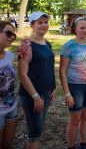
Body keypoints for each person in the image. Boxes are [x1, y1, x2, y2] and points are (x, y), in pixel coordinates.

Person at [60, 17, 86, 149]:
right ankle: (71, 146)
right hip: (75, 87)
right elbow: (62, 71)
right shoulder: (69, 46)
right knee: (75, 119)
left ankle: (83, 144)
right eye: (82, 28)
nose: (85, 30)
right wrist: (67, 93)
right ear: (75, 29)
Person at [18, 12, 57, 149]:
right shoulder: (26, 45)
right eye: (39, 22)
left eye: (46, 22)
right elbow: (22, 74)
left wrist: (54, 86)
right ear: (32, 25)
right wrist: (35, 96)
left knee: (39, 129)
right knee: (34, 132)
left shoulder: (47, 43)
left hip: (46, 92)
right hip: (32, 95)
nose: (44, 25)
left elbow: (49, 67)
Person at [0, 21, 17, 148]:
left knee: (8, 144)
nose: (12, 37)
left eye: (14, 35)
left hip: (12, 108)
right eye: (8, 33)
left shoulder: (10, 56)